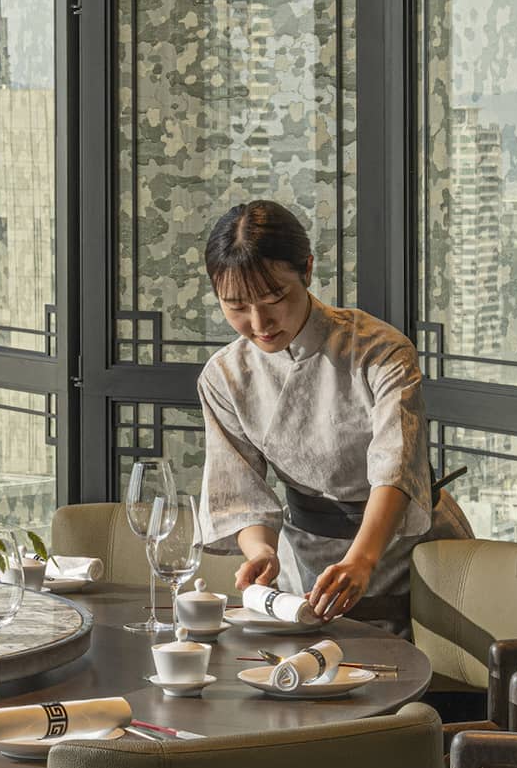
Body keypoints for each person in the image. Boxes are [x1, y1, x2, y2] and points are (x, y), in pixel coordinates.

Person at [197, 200, 471, 631]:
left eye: (274, 299)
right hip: (304, 556)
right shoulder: (225, 376)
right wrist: (261, 553)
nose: (259, 322)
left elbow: (396, 470)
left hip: (406, 548)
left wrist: (361, 560)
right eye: (235, 306)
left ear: (306, 270)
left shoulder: (379, 351)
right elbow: (240, 492)